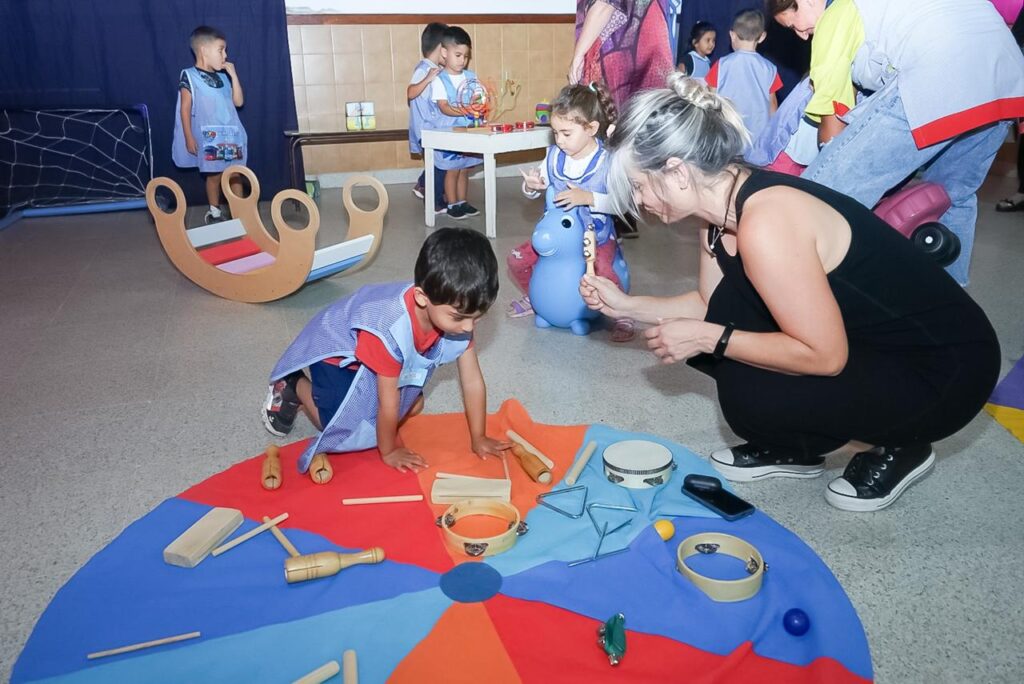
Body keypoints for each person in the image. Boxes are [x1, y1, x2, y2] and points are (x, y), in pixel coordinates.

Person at [581, 74, 1000, 512]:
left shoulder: (767, 222)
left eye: (640, 185)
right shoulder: (720, 211)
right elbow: (710, 305)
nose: (641, 200)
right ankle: (798, 446)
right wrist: (626, 305)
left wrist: (709, 338)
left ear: (677, 171)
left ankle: (902, 442)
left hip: (943, 371)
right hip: (879, 344)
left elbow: (824, 355)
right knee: (736, 353)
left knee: (745, 383)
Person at [768, 0, 1024, 286]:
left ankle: (791, 299)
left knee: (818, 198)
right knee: (951, 196)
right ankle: (949, 309)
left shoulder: (837, 12)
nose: (802, 35)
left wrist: (836, 163)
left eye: (794, 23)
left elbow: (831, 113)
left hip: (937, 70)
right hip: (1006, 80)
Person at [262, 227, 509, 479]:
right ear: (422, 297)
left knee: (413, 406)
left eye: (477, 318)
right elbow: (387, 404)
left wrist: (479, 437)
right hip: (336, 356)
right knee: (344, 432)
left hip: (373, 359)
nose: (468, 327)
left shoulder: (455, 311)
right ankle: (294, 385)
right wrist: (389, 451)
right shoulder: (388, 328)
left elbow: (472, 381)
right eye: (459, 317)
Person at [507, 83, 636, 342]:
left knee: (603, 269)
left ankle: (623, 312)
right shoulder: (554, 156)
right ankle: (536, 297)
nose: (560, 140)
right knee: (517, 259)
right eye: (555, 133)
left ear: (591, 129)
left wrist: (588, 198)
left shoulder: (606, 162)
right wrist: (531, 186)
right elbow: (537, 186)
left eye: (566, 133)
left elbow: (621, 204)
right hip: (556, 238)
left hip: (595, 238)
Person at [171, 26, 247, 225]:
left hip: (231, 136)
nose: (225, 55)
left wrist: (234, 76)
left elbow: (238, 102)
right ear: (204, 50)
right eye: (221, 50)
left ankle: (240, 214)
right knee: (214, 174)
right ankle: (215, 212)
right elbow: (185, 109)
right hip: (210, 138)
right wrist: (188, 136)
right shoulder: (188, 75)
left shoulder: (223, 77)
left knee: (235, 174)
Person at [569, 0, 675, 108]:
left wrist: (579, 54)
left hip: (623, 58)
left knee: (616, 116)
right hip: (650, 52)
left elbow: (604, 6)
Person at [429, 26, 482, 221]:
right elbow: (443, 106)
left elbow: (478, 97)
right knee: (452, 170)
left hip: (468, 131)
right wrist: (464, 110)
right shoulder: (439, 80)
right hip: (449, 133)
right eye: (458, 55)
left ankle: (462, 202)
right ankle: (452, 204)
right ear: (444, 53)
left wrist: (478, 104)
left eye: (466, 56)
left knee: (464, 168)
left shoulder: (471, 77)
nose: (462, 60)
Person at [705, 9, 782, 142]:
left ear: (732, 35)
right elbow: (773, 106)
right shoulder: (770, 69)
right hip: (758, 139)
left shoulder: (721, 64)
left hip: (727, 136)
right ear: (762, 36)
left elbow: (710, 99)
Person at [407, 22, 449, 215]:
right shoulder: (424, 69)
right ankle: (434, 201)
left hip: (434, 128)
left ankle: (423, 185)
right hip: (426, 128)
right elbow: (410, 92)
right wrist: (427, 79)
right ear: (441, 47)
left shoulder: (435, 69)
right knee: (438, 165)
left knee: (438, 163)